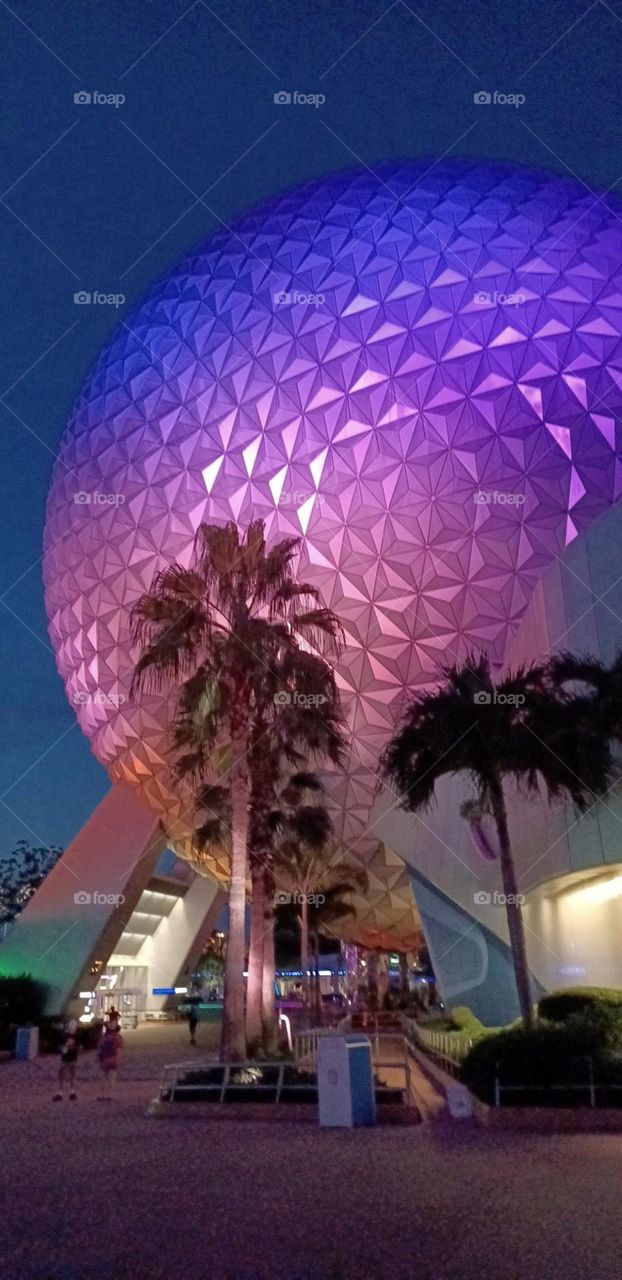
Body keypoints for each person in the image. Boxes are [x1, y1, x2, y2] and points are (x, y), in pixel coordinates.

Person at [53, 1019, 79, 1102]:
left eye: (73, 1025)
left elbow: (80, 1047)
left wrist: (72, 1048)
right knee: (63, 1075)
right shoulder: (65, 1036)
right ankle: (62, 1092)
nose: (72, 1027)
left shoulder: (77, 1036)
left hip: (72, 1058)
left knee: (71, 1075)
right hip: (66, 1058)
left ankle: (71, 1092)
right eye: (71, 1025)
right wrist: (63, 1049)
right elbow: (60, 1046)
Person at [97, 1019, 123, 1099]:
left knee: (103, 1077)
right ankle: (110, 1094)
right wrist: (119, 1059)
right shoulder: (118, 1037)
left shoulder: (104, 1037)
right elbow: (119, 1049)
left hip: (104, 1058)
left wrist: (99, 1058)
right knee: (112, 1078)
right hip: (113, 1058)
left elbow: (99, 1048)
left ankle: (103, 1094)